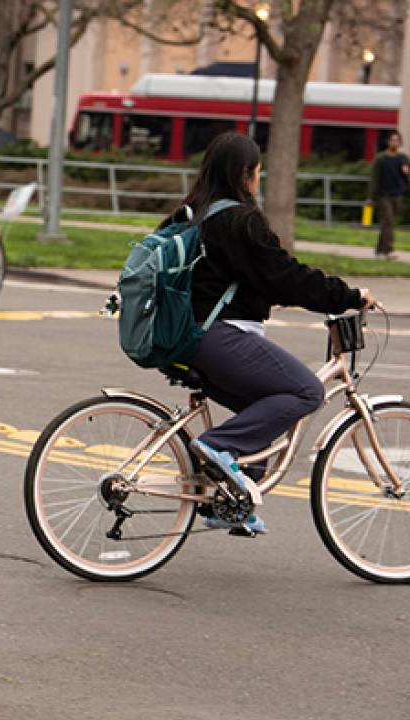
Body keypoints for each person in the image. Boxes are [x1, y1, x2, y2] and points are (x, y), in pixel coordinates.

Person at [164, 132, 378, 535]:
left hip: (191, 338)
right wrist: (349, 295)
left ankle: (228, 502)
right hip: (221, 337)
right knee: (305, 393)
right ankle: (218, 447)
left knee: (271, 406)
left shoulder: (196, 213)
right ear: (246, 174)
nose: (258, 178)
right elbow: (286, 278)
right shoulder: (239, 221)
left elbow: (252, 279)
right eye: (257, 171)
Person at [367, 130, 408, 261]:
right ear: (388, 142)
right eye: (393, 140)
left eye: (397, 140)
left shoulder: (403, 159)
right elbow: (374, 179)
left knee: (388, 223)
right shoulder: (381, 159)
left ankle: (380, 250)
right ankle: (389, 250)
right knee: (388, 221)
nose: (395, 142)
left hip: (397, 194)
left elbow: (407, 178)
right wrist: (370, 197)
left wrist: (406, 173)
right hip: (383, 194)